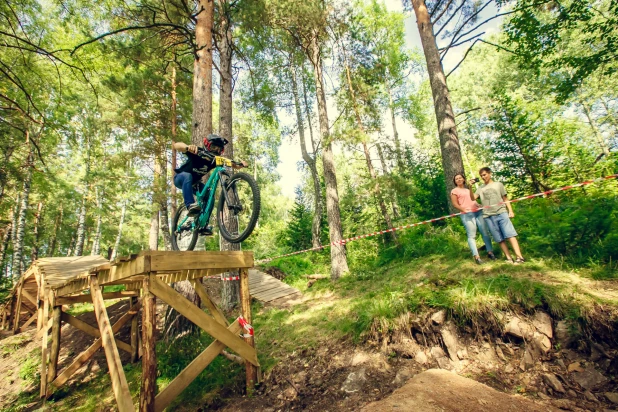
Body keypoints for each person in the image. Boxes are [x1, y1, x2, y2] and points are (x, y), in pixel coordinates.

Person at [172, 134, 246, 219]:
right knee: (188, 176)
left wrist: (240, 165)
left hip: (195, 184)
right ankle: (190, 205)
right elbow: (176, 145)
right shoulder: (197, 152)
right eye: (214, 147)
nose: (216, 151)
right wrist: (188, 147)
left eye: (219, 149)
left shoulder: (215, 160)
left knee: (210, 195)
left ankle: (203, 224)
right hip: (180, 178)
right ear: (207, 145)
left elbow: (233, 164)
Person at [471, 167, 525, 264]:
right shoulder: (480, 188)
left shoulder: (498, 184)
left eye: (484, 174)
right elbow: (472, 198)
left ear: (489, 173)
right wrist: (470, 186)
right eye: (481, 176)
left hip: (501, 212)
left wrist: (510, 210)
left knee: (510, 235)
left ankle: (519, 257)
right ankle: (509, 258)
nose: (483, 177)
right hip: (488, 215)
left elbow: (505, 198)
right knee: (499, 238)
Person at [450, 173, 496, 264]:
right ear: (455, 182)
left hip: (478, 212)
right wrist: (464, 210)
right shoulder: (454, 191)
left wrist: (478, 204)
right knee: (472, 235)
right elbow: (455, 204)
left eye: (460, 178)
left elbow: (472, 199)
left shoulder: (467, 190)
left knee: (485, 232)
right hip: (467, 214)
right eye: (456, 179)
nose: (458, 180)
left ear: (463, 179)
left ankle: (490, 252)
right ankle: (477, 256)